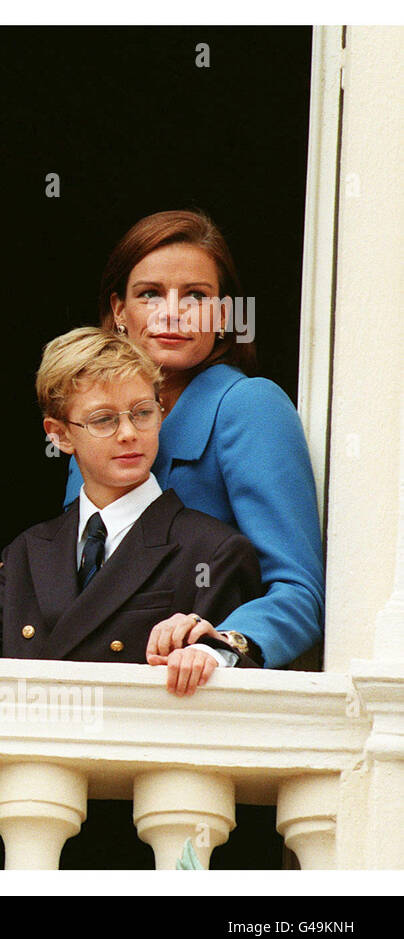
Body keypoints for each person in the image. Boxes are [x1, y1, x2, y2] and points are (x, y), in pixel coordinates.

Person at [63, 209, 324, 669]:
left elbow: (298, 591)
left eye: (196, 296)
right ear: (119, 310)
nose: (172, 312)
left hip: (195, 694)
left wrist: (221, 647)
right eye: (149, 293)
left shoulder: (249, 405)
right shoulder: (91, 419)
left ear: (224, 314)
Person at [0, 326, 263, 696]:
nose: (129, 433)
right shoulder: (26, 553)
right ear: (59, 435)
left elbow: (238, 694)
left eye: (142, 413)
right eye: (103, 419)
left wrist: (214, 653)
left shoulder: (212, 552)